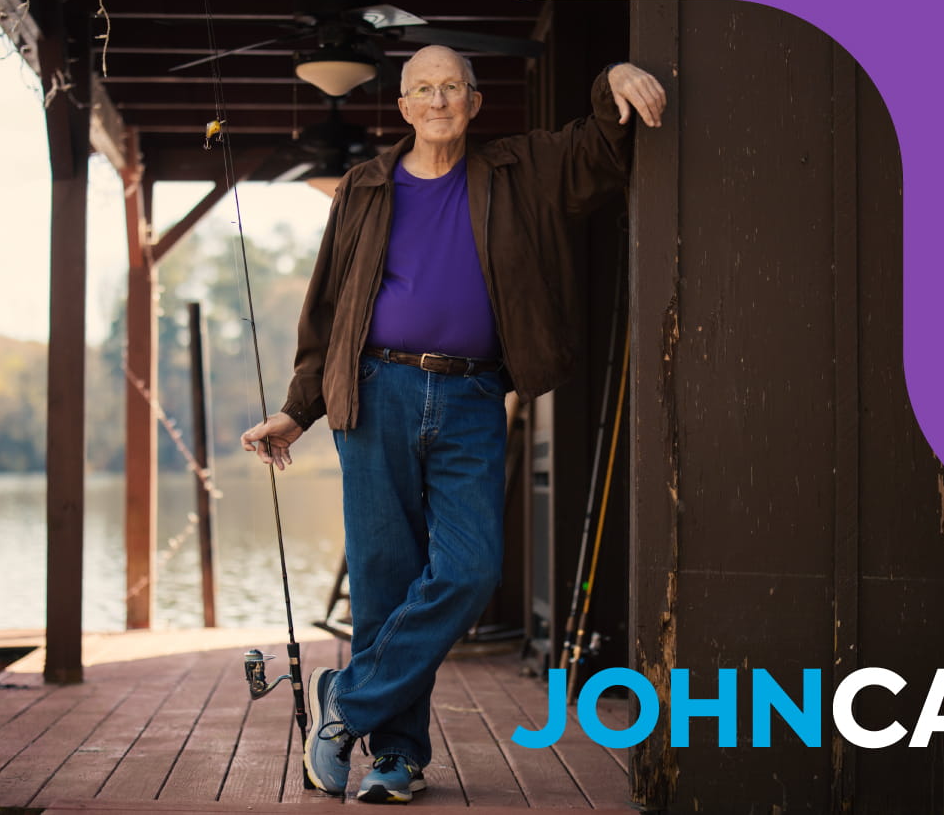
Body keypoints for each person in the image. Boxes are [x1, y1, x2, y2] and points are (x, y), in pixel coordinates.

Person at [242, 45, 666, 802]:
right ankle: (397, 757)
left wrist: (612, 79)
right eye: (422, 90)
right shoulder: (365, 188)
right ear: (403, 108)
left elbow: (599, 146)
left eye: (452, 88)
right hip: (373, 396)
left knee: (470, 571)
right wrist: (296, 410)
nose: (438, 100)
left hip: (471, 398)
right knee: (381, 584)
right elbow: (328, 312)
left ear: (474, 103)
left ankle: (345, 704)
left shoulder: (519, 169)